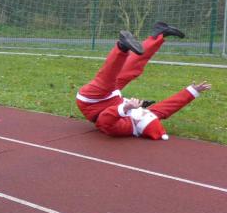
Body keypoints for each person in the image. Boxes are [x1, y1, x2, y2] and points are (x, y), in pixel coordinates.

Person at [76, 21, 210, 140]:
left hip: (92, 102)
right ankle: (158, 34)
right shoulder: (147, 116)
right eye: (147, 113)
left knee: (106, 80)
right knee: (131, 69)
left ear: (139, 125)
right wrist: (192, 91)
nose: (145, 111)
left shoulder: (125, 128)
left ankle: (122, 47)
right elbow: (167, 107)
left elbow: (105, 121)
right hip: (112, 95)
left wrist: (125, 108)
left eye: (144, 115)